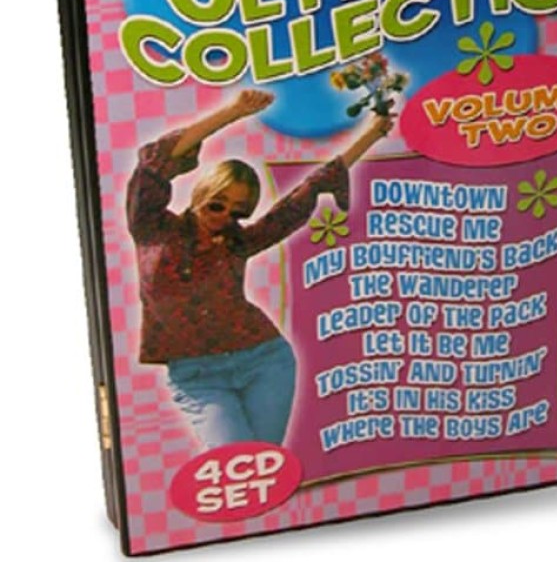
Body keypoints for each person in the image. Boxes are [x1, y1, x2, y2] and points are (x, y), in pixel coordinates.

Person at [126, 89, 393, 450]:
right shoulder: (152, 227)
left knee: (264, 464)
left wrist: (372, 134)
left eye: (238, 212)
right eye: (217, 205)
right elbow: (156, 162)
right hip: (198, 376)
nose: (225, 217)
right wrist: (233, 112)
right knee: (235, 458)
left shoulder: (238, 242)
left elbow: (304, 194)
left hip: (265, 361)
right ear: (201, 194)